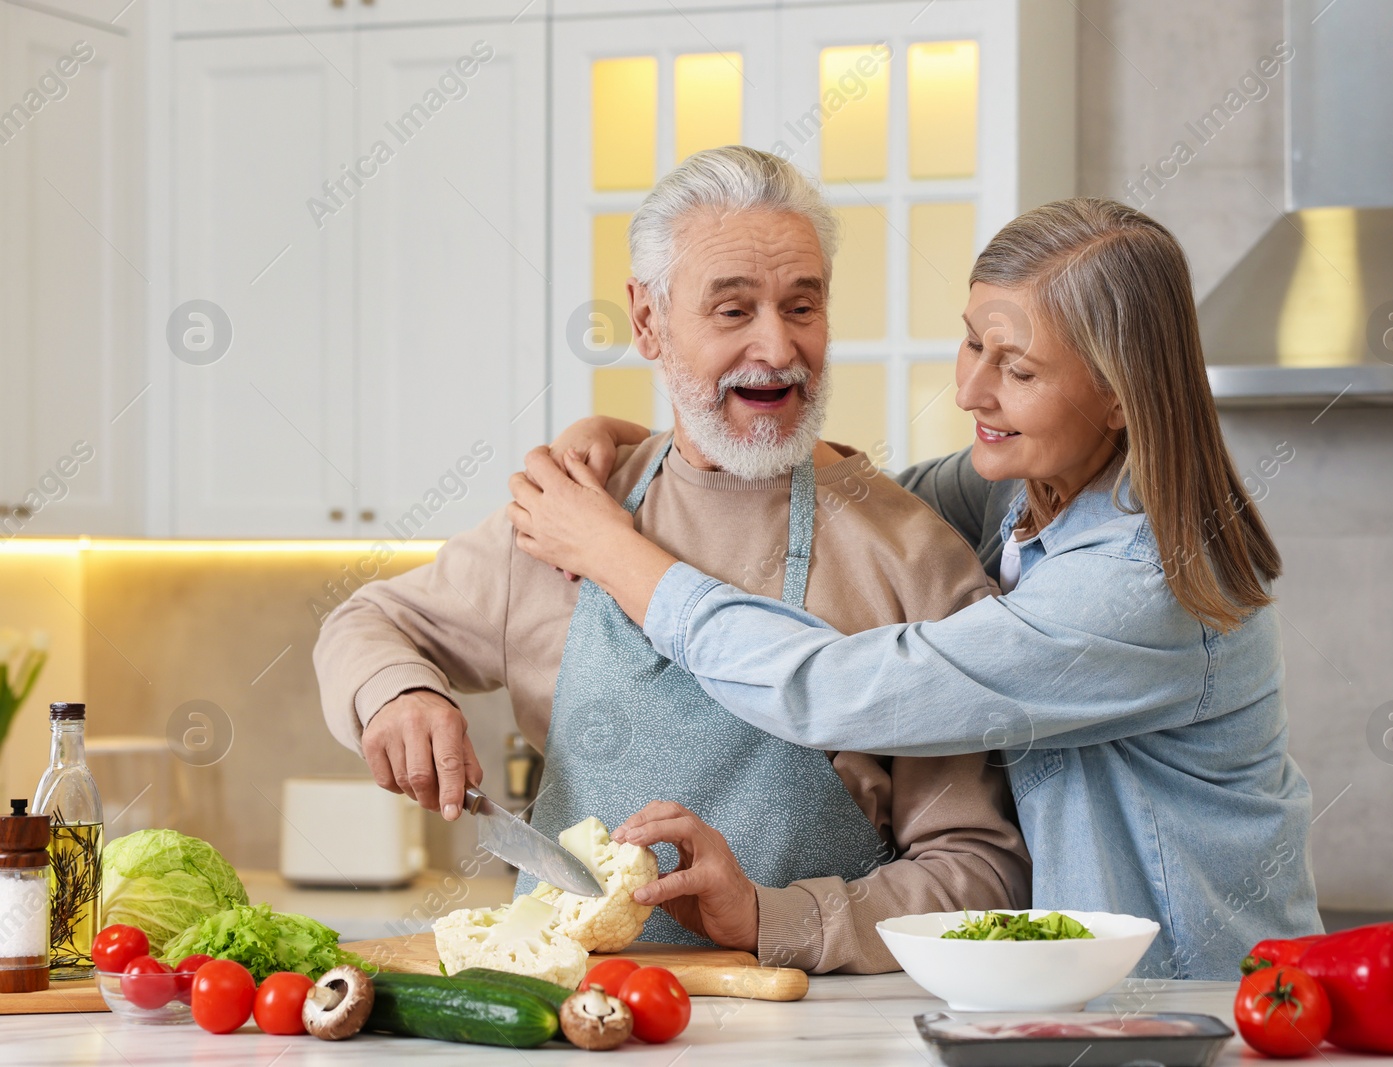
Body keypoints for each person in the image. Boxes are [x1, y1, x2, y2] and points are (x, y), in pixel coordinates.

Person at [507, 197, 1322, 981]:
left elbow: (829, 690)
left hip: (1203, 1004)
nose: (972, 392)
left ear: (1119, 394)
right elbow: (853, 499)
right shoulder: (1022, 487)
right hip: (1090, 1010)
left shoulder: (1138, 586)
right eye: (973, 345)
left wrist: (612, 550)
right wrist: (637, 447)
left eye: (1020, 369)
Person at [313, 146, 1030, 974]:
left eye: (803, 306)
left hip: (811, 1034)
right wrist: (395, 691)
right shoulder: (567, 510)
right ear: (647, 321)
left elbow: (981, 876)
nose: (778, 346)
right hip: (570, 1023)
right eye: (732, 311)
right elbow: (367, 620)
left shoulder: (913, 557)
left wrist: (775, 916)